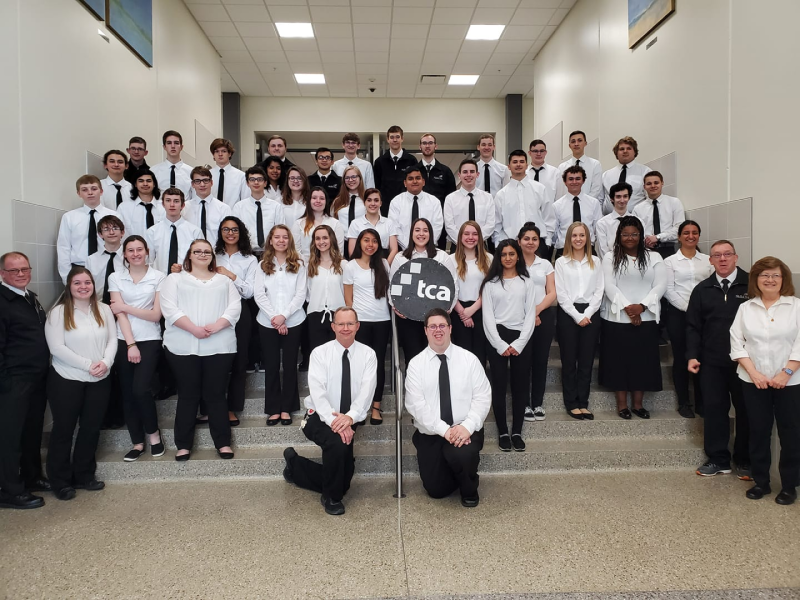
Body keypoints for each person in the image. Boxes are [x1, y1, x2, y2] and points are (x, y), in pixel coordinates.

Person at [283, 307, 377, 516]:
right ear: (333, 326)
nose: (345, 328)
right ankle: (331, 498)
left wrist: (350, 418)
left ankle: (295, 465)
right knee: (338, 445)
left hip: (351, 415)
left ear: (357, 326)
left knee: (344, 478)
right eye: (341, 324)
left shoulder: (368, 354)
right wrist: (337, 423)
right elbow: (318, 393)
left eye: (350, 323)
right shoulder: (320, 353)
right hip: (319, 414)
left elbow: (366, 392)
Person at [160, 239, 241, 461]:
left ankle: (223, 443)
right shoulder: (174, 279)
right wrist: (193, 329)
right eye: (198, 251)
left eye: (207, 252)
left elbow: (235, 308)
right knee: (188, 395)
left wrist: (217, 325)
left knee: (216, 395)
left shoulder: (224, 280)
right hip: (183, 345)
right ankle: (183, 445)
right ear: (189, 255)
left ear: (212, 257)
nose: (203, 255)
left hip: (219, 345)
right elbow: (169, 308)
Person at [730, 257, 799, 505]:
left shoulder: (796, 306)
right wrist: (755, 373)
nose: (770, 280)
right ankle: (761, 482)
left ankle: (790, 485)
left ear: (784, 279)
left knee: (790, 433)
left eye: (775, 276)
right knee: (758, 431)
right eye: (764, 275)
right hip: (753, 381)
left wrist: (786, 373)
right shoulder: (746, 308)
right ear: (756, 280)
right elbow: (737, 345)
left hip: (790, 383)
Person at [405, 308, 491, 508]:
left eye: (442, 325)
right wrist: (445, 431)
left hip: (464, 430)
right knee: (436, 491)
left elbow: (483, 396)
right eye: (432, 326)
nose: (438, 330)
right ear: (425, 331)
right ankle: (453, 471)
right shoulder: (416, 365)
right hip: (432, 432)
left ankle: (469, 488)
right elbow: (416, 405)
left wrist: (467, 426)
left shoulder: (469, 360)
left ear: (450, 329)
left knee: (462, 454)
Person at [45, 267, 117, 500]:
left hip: (100, 378)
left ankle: (84, 474)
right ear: (69, 286)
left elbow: (113, 339)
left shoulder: (104, 309)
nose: (83, 287)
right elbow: (56, 348)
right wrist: (88, 365)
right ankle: (60, 480)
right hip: (67, 379)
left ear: (93, 285)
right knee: (64, 430)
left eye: (87, 282)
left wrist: (106, 362)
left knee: (90, 428)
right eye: (77, 283)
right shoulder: (58, 312)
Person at [686, 240, 751, 478]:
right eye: (717, 255)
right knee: (714, 410)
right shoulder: (702, 290)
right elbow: (693, 327)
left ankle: (744, 460)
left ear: (736, 257)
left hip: (745, 363)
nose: (722, 259)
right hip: (711, 361)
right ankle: (718, 459)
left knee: (746, 411)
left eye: (727, 254)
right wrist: (692, 356)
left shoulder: (752, 285)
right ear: (710, 261)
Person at [599, 216, 666, 419]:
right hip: (617, 319)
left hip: (646, 317)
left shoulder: (654, 257)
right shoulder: (610, 257)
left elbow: (660, 285)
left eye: (634, 234)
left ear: (641, 235)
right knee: (619, 363)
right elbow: (609, 286)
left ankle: (638, 404)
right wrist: (629, 308)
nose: (630, 238)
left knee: (642, 363)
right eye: (625, 234)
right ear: (619, 235)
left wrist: (642, 307)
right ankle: (622, 405)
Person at [107, 236, 167, 461]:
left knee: (141, 389)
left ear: (147, 251)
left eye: (139, 249)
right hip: (123, 340)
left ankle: (154, 435)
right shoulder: (116, 277)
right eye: (130, 250)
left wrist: (125, 306)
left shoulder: (158, 277)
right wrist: (131, 343)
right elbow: (118, 313)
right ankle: (137, 442)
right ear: (124, 254)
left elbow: (155, 315)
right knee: (127, 393)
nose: (135, 254)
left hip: (150, 338)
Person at [0, 252, 50, 509]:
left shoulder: (29, 297)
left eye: (24, 269)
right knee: (10, 437)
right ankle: (9, 490)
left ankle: (31, 477)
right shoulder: (3, 301)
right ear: (2, 274)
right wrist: (5, 383)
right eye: (13, 270)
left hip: (36, 378)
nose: (20, 274)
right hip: (14, 381)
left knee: (31, 432)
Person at [481, 239, 536, 452]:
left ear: (518, 256)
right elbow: (488, 318)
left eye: (512, 254)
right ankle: (503, 431)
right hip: (498, 337)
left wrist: (520, 342)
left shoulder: (526, 282)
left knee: (521, 386)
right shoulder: (491, 284)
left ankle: (517, 431)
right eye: (503, 254)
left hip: (521, 335)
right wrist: (500, 344)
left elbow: (530, 314)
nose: (507, 258)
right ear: (498, 257)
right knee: (500, 385)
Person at [254, 225, 307, 426]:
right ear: (271, 240)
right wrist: (274, 318)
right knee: (272, 366)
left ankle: (287, 408)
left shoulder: (299, 264)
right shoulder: (262, 265)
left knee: (291, 365)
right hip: (267, 322)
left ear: (290, 240)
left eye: (285, 237)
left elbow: (300, 294)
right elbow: (259, 294)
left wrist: (283, 316)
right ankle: (273, 409)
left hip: (294, 320)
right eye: (277, 237)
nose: (281, 240)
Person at [390, 218, 457, 367]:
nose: (421, 234)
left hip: (436, 320)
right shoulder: (401, 258)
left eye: (425, 230)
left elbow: (453, 284)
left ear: (431, 234)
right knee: (412, 359)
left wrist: (448, 309)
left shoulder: (441, 257)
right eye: (417, 230)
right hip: (408, 318)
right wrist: (396, 306)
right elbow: (392, 286)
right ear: (411, 233)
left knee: (437, 358)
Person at [664, 220, 713, 418]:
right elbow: (668, 289)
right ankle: (684, 402)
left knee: (703, 358)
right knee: (682, 357)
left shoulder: (708, 260)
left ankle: (701, 402)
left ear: (698, 236)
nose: (690, 236)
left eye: (694, 232)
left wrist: (701, 310)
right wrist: (688, 308)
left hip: (705, 316)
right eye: (686, 233)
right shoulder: (670, 262)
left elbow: (711, 286)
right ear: (679, 236)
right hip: (679, 314)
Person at [555, 222, 604, 419]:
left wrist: (588, 314)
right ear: (569, 238)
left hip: (591, 313)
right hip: (569, 313)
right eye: (574, 235)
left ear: (587, 238)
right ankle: (571, 402)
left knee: (586, 361)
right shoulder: (561, 262)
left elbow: (599, 290)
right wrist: (577, 315)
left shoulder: (595, 261)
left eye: (582, 235)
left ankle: (583, 402)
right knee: (569, 361)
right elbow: (561, 293)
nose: (578, 239)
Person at [343, 229, 391, 425]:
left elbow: (389, 293)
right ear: (359, 243)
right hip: (360, 322)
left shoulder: (384, 264)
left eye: (374, 241)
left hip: (382, 321)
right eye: (366, 240)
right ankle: (359, 408)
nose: (370, 244)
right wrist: (352, 323)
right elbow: (348, 298)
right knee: (359, 366)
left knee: (378, 364)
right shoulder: (350, 266)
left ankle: (376, 407)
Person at [214, 217, 258, 426]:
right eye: (226, 229)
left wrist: (231, 275)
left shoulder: (249, 259)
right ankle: (212, 407)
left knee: (239, 361)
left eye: (234, 230)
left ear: (241, 233)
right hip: (214, 310)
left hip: (241, 310)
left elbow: (250, 291)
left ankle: (232, 408)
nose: (230, 233)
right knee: (216, 360)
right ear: (220, 232)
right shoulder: (213, 256)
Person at [518, 223, 557, 422]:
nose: (530, 242)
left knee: (540, 360)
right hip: (518, 317)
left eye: (534, 239)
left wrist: (537, 311)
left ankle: (537, 403)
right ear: (519, 241)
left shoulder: (546, 264)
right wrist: (528, 314)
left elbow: (552, 293)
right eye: (526, 239)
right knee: (523, 362)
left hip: (543, 316)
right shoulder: (513, 262)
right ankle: (524, 403)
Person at [57, 175, 118, 284]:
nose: (90, 193)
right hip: (79, 267)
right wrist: (66, 278)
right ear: (79, 193)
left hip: (107, 266)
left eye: (94, 189)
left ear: (101, 191)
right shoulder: (69, 217)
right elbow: (63, 248)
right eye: (84, 190)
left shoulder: (114, 215)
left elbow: (120, 243)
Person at [493, 150, 555, 253]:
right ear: (509, 166)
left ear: (526, 165)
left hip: (537, 244)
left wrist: (547, 241)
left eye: (521, 162)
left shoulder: (539, 189)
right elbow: (497, 223)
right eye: (515, 162)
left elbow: (549, 217)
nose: (518, 164)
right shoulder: (501, 195)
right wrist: (498, 244)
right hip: (511, 245)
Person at [448, 221, 491, 367]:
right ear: (460, 237)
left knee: (480, 356)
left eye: (474, 234)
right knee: (461, 356)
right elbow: (449, 289)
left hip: (481, 309)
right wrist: (462, 313)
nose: (470, 237)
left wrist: (472, 310)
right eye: (466, 234)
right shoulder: (450, 259)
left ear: (480, 237)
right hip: (457, 310)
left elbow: (489, 288)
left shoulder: (489, 259)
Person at [306, 225, 347, 353]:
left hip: (339, 315)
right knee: (319, 355)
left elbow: (346, 291)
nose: (321, 241)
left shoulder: (343, 264)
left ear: (332, 240)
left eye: (325, 238)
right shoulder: (310, 265)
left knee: (337, 355)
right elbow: (308, 291)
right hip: (315, 315)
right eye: (317, 238)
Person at [145, 188, 203, 275]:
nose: (172, 205)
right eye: (168, 201)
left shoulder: (195, 231)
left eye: (176, 201)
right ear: (163, 204)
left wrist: (183, 269)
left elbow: (200, 259)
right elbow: (149, 261)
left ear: (182, 205)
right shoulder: (152, 232)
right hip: (160, 281)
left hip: (187, 279)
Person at [632, 171, 685, 259]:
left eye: (656, 183)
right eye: (649, 183)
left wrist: (658, 237)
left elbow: (679, 229)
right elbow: (635, 231)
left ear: (662, 183)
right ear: (644, 187)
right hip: (646, 251)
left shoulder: (674, 202)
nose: (653, 186)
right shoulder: (637, 209)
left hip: (669, 249)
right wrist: (646, 240)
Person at [388, 166, 444, 251]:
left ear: (423, 182)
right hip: (403, 251)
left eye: (418, 178)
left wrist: (425, 247)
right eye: (410, 179)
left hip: (429, 250)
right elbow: (395, 228)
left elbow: (437, 226)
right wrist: (409, 248)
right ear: (405, 183)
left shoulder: (434, 202)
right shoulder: (396, 202)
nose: (414, 181)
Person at [443, 158, 495, 248]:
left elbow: (490, 224)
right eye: (465, 172)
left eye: (472, 171)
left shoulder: (488, 198)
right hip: (457, 246)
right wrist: (463, 241)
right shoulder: (450, 199)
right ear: (459, 175)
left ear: (477, 174)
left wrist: (476, 240)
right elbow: (449, 225)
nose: (468, 175)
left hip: (481, 245)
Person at [551, 166, 602, 258]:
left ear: (583, 181)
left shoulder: (594, 203)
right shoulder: (557, 205)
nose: (574, 182)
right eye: (571, 179)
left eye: (578, 179)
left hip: (588, 249)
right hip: (564, 249)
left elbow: (596, 228)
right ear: (565, 182)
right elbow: (554, 232)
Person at [233, 166, 285, 254]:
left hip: (271, 253)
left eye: (260, 179)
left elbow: (281, 232)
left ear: (265, 183)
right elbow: (235, 231)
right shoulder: (239, 207)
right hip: (246, 253)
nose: (256, 182)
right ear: (247, 183)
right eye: (252, 179)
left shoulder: (276, 206)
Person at [418, 133, 456, 249]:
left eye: (430, 143)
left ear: (436, 146)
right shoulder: (414, 171)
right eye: (424, 143)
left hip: (440, 222)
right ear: (420, 147)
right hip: (418, 221)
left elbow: (451, 199)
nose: (427, 146)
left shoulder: (445, 171)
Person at [183, 166, 232, 247]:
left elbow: (227, 236)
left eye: (205, 180)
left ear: (211, 183)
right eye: (198, 181)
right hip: (191, 254)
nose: (202, 184)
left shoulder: (223, 208)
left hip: (217, 255)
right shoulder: (184, 208)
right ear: (193, 184)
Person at [346, 188, 399, 263]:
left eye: (376, 200)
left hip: (384, 261)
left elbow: (394, 249)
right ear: (364, 203)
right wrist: (361, 267)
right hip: (362, 262)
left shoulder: (389, 223)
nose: (373, 203)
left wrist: (386, 266)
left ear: (381, 203)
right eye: (369, 200)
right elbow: (352, 251)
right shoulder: (355, 223)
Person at [292, 187, 345, 260]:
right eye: (314, 198)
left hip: (329, 266)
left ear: (326, 201)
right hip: (305, 266)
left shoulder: (335, 223)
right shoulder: (299, 224)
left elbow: (339, 251)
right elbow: (295, 251)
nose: (318, 201)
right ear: (309, 201)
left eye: (322, 198)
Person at [374, 125, 419, 211]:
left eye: (397, 137)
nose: (395, 140)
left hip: (407, 205)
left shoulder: (412, 160)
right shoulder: (379, 162)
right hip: (385, 207)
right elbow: (377, 186)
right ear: (388, 139)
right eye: (392, 137)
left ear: (402, 139)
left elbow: (414, 183)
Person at [601, 136, 650, 213]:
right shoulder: (606, 175)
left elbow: (650, 199)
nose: (625, 151)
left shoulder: (645, 172)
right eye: (621, 149)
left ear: (635, 152)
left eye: (629, 148)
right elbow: (601, 200)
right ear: (616, 153)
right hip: (610, 221)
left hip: (635, 220)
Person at [86, 215, 125, 306]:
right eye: (106, 229)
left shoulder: (130, 257)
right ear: (100, 234)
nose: (111, 232)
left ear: (122, 232)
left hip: (125, 306)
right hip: (98, 305)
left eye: (115, 228)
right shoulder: (91, 260)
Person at [557, 130, 603, 204]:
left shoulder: (595, 164)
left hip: (589, 206)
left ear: (585, 143)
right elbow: (561, 191)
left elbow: (596, 188)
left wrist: (584, 203)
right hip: (567, 206)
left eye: (579, 140)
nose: (576, 144)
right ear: (569, 145)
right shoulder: (562, 167)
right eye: (573, 141)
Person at [117, 169, 164, 239]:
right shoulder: (124, 207)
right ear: (135, 184)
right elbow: (120, 233)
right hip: (134, 248)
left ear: (154, 184)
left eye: (149, 181)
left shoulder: (164, 207)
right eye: (141, 181)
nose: (145, 184)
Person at [151, 130, 193, 198]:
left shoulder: (191, 172)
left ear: (181, 147)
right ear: (164, 147)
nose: (173, 146)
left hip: (185, 208)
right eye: (169, 143)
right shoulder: (154, 171)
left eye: (176, 143)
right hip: (161, 208)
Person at [595, 182, 632, 260]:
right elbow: (603, 250)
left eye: (625, 196)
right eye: (618, 197)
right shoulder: (602, 223)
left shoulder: (638, 221)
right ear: (612, 199)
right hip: (610, 265)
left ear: (629, 198)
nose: (622, 200)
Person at [210, 138, 249, 208]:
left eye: (224, 151)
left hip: (233, 215)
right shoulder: (208, 176)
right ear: (213, 154)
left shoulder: (241, 176)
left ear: (230, 154)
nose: (220, 154)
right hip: (211, 215)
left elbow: (245, 201)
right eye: (216, 151)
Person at [331, 165, 366, 240]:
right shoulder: (338, 201)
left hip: (363, 242)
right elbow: (332, 223)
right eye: (347, 178)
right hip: (342, 242)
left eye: (354, 177)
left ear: (360, 178)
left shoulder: (367, 199)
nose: (350, 180)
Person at [526, 139, 559, 206]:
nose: (539, 154)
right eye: (535, 151)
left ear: (545, 152)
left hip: (549, 214)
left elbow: (559, 198)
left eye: (542, 151)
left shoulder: (555, 172)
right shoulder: (524, 173)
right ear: (529, 153)